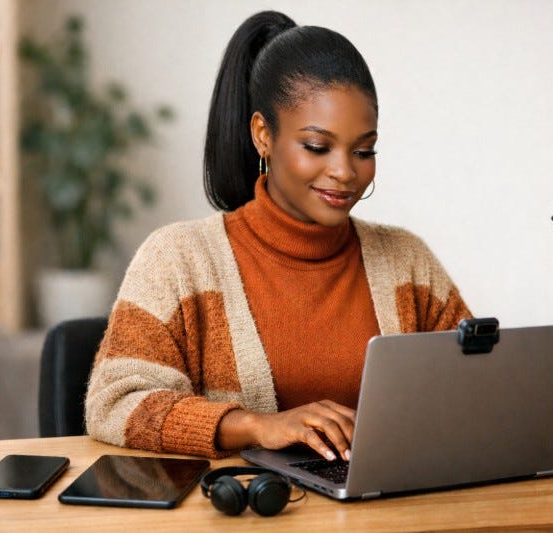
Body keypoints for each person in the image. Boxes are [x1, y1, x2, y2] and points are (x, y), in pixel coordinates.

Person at [85, 10, 471, 462]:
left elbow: (471, 390)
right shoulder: (178, 259)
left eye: (364, 150)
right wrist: (256, 426)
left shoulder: (407, 261)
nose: (345, 172)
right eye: (317, 147)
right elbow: (113, 404)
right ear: (263, 135)